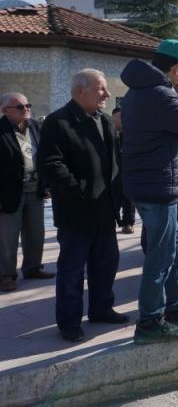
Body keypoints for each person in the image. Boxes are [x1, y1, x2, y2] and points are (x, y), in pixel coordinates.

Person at [121, 39, 178, 344]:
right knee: (160, 256)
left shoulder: (139, 91)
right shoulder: (160, 95)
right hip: (157, 187)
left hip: (151, 184)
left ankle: (176, 307)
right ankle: (150, 321)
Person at [37, 70, 127, 341]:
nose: (107, 94)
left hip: (105, 210)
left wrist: (118, 195)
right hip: (76, 212)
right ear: (80, 91)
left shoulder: (105, 120)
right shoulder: (58, 122)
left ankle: (101, 309)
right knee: (72, 271)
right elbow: (50, 164)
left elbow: (114, 162)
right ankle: (69, 322)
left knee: (106, 264)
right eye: (100, 89)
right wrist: (80, 190)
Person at [0, 92, 53, 292]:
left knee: (35, 233)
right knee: (8, 238)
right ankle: (5, 275)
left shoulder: (36, 127)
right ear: (5, 110)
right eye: (21, 107)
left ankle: (32, 268)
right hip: (8, 194)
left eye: (28, 105)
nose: (26, 109)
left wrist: (46, 185)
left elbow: (46, 156)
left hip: (35, 190)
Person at [111, 107, 136, 235]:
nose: (119, 120)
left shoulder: (130, 134)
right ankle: (111, 221)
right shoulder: (109, 133)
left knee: (128, 200)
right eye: (116, 118)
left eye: (121, 117)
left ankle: (128, 223)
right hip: (113, 174)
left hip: (128, 173)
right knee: (113, 200)